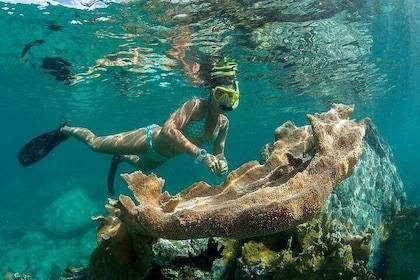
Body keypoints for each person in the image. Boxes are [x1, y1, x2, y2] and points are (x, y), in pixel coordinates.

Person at [17, 57, 240, 196]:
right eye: (221, 95)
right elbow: (169, 129)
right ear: (211, 93)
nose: (225, 103)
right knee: (95, 144)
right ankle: (65, 130)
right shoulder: (195, 106)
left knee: (143, 168)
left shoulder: (224, 123)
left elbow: (219, 151)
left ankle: (121, 157)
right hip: (149, 139)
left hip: (161, 157)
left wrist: (222, 165)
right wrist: (200, 155)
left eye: (231, 98)